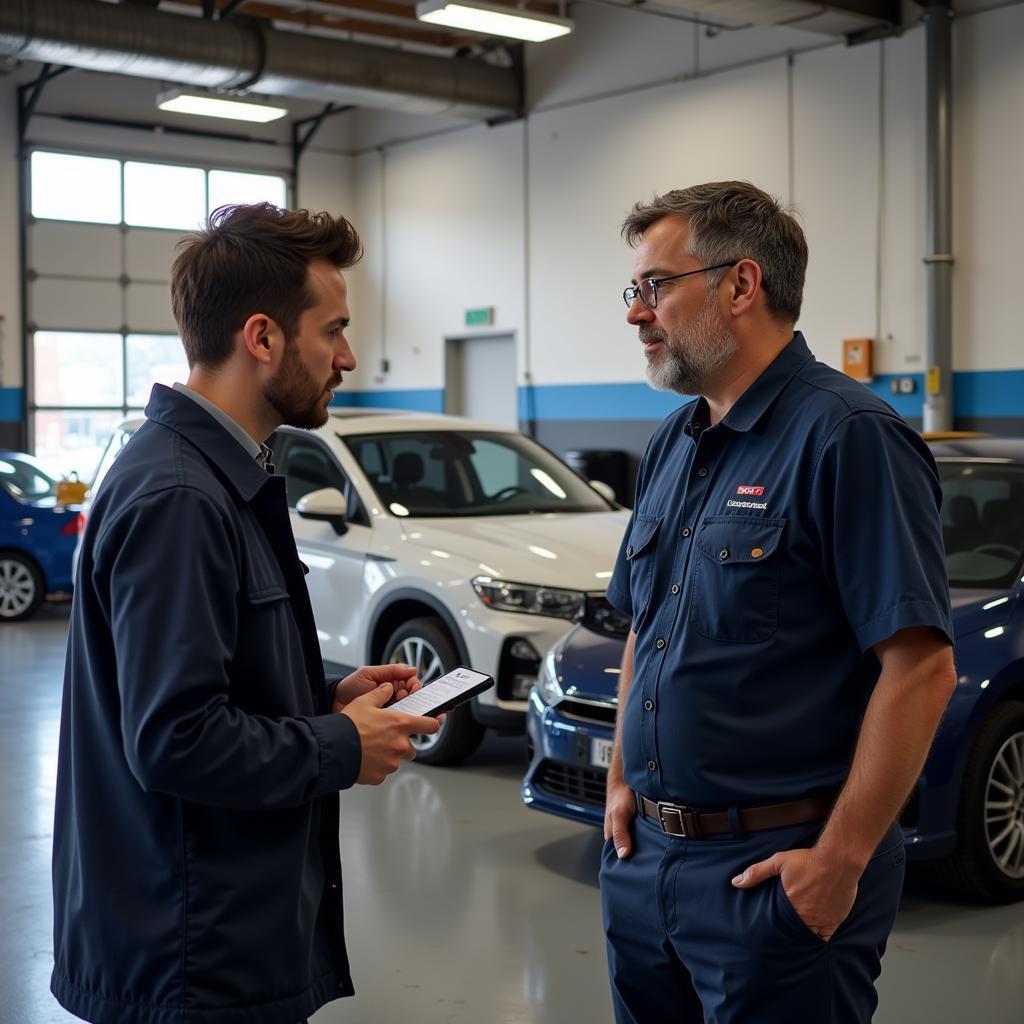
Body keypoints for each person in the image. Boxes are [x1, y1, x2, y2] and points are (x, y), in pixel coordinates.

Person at [51, 203, 440, 1024]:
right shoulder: (181, 498)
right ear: (261, 338)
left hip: (210, 938)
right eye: (331, 331)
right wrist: (342, 745)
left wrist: (322, 697)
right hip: (192, 954)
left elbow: (207, 679)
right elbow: (174, 736)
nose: (348, 357)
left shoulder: (212, 477)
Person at [600, 181, 956, 1024]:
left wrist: (839, 861)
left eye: (655, 287)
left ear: (740, 285)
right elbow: (646, 627)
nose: (636, 314)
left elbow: (921, 669)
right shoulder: (673, 443)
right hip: (644, 863)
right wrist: (620, 780)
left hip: (774, 872)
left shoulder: (847, 435)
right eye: (635, 291)